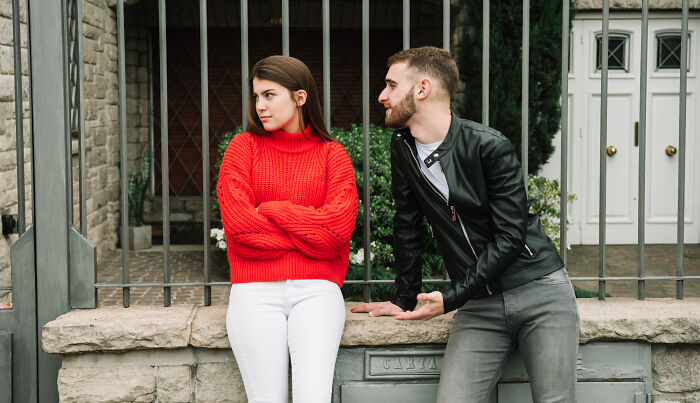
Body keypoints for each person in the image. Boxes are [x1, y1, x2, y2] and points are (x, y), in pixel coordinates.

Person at [351, 46, 579, 403]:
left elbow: (510, 237)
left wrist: (452, 297)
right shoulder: (403, 148)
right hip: (479, 304)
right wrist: (405, 299)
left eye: (391, 85)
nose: (382, 96)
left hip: (539, 292)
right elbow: (407, 226)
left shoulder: (489, 146)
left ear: (422, 89)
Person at [217, 55, 358, 403]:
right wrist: (307, 231)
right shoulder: (243, 148)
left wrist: (274, 210)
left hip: (317, 292)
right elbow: (240, 230)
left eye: (269, 95)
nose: (259, 106)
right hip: (254, 292)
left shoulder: (332, 155)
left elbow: (335, 235)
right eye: (256, 96)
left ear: (300, 97)